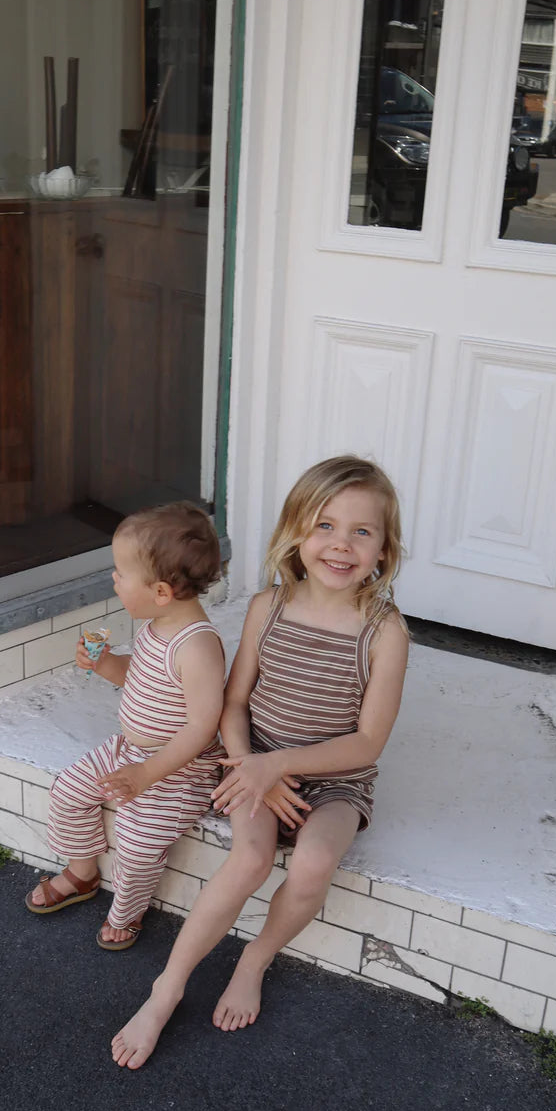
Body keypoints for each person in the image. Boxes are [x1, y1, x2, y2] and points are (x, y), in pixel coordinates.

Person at [111, 455, 410, 1069]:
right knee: (249, 857)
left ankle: (254, 961)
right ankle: (165, 990)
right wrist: (251, 763)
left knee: (313, 863)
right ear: (296, 530)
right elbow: (235, 702)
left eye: (362, 531)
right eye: (325, 525)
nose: (341, 544)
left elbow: (367, 744)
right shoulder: (266, 607)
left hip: (335, 781)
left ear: (384, 548)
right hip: (257, 761)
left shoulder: (385, 632)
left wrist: (279, 770)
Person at [27, 501, 226, 950]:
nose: (114, 579)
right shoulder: (157, 624)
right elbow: (139, 675)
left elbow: (201, 728)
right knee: (68, 791)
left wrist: (148, 775)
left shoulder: (197, 646)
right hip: (128, 750)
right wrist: (106, 665)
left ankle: (128, 910)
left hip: (179, 770)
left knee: (138, 844)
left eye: (120, 572)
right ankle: (82, 873)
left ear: (159, 591)